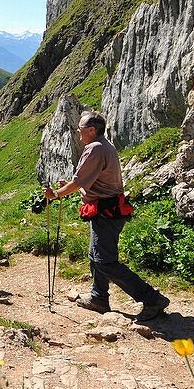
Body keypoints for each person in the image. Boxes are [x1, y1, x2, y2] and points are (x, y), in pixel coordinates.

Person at [43, 111, 170, 320]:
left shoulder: (95, 148)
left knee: (104, 261)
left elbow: (80, 182)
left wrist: (56, 194)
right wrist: (70, 186)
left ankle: (152, 299)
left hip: (105, 212)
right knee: (96, 257)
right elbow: (87, 180)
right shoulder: (103, 145)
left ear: (92, 130)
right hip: (108, 209)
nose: (78, 132)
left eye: (81, 129)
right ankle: (99, 298)